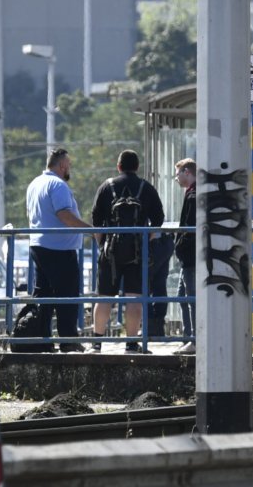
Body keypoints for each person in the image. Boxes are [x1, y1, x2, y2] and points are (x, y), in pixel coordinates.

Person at [89, 150, 164, 353]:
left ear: (118, 166)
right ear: (137, 167)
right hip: (137, 252)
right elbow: (158, 219)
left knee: (104, 297)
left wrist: (102, 244)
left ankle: (96, 343)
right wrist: (144, 239)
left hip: (110, 252)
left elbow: (95, 220)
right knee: (134, 298)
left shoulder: (107, 186)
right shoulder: (146, 187)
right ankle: (131, 343)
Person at [25, 148, 91, 353]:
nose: (69, 168)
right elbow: (64, 214)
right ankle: (68, 340)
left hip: (38, 245)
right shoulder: (58, 184)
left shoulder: (35, 183)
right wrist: (92, 230)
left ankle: (40, 339)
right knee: (67, 295)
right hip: (59, 248)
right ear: (62, 165)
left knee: (43, 294)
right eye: (68, 164)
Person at [172, 158, 197, 355]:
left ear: (187, 172)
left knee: (190, 297)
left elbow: (189, 227)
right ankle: (189, 336)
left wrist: (180, 245)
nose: (176, 178)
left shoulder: (193, 196)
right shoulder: (192, 193)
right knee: (183, 296)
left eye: (178, 173)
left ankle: (195, 339)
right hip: (188, 257)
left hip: (190, 257)